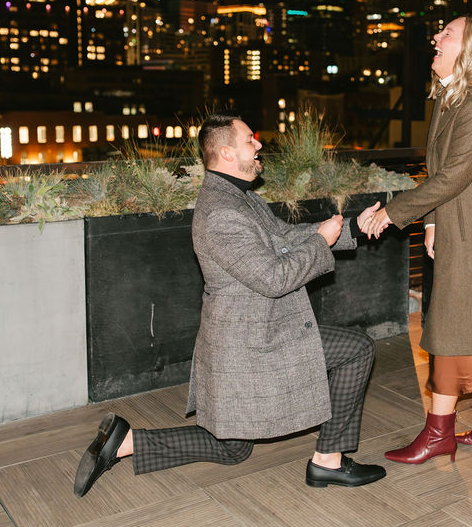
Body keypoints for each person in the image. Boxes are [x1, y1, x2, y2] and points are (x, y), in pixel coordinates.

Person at [74, 114, 386, 496]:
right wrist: (321, 241)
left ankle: (124, 442)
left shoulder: (239, 197)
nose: (258, 145)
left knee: (233, 448)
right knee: (356, 350)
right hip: (251, 345)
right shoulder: (221, 213)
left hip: (255, 333)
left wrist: (351, 228)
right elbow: (274, 278)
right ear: (225, 152)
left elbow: (284, 237)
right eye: (250, 139)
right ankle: (328, 462)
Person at [361, 15, 472, 464]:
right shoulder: (450, 98)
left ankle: (439, 431)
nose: (436, 38)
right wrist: (432, 223)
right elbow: (442, 171)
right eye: (439, 31)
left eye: (448, 34)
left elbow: (453, 176)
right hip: (464, 223)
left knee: (454, 327)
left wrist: (392, 213)